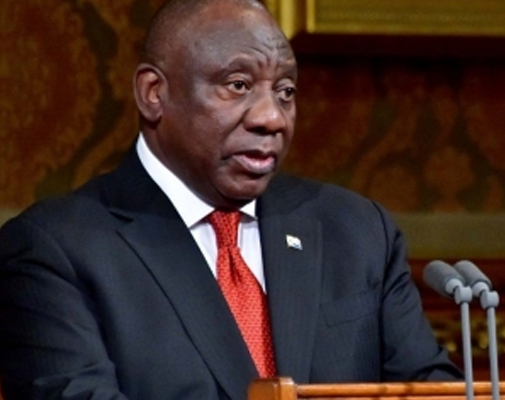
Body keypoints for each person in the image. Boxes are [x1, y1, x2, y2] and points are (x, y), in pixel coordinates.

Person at [0, 0, 463, 399]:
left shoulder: (356, 230)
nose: (272, 118)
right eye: (238, 85)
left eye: (285, 92)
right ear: (154, 93)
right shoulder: (56, 251)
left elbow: (429, 389)